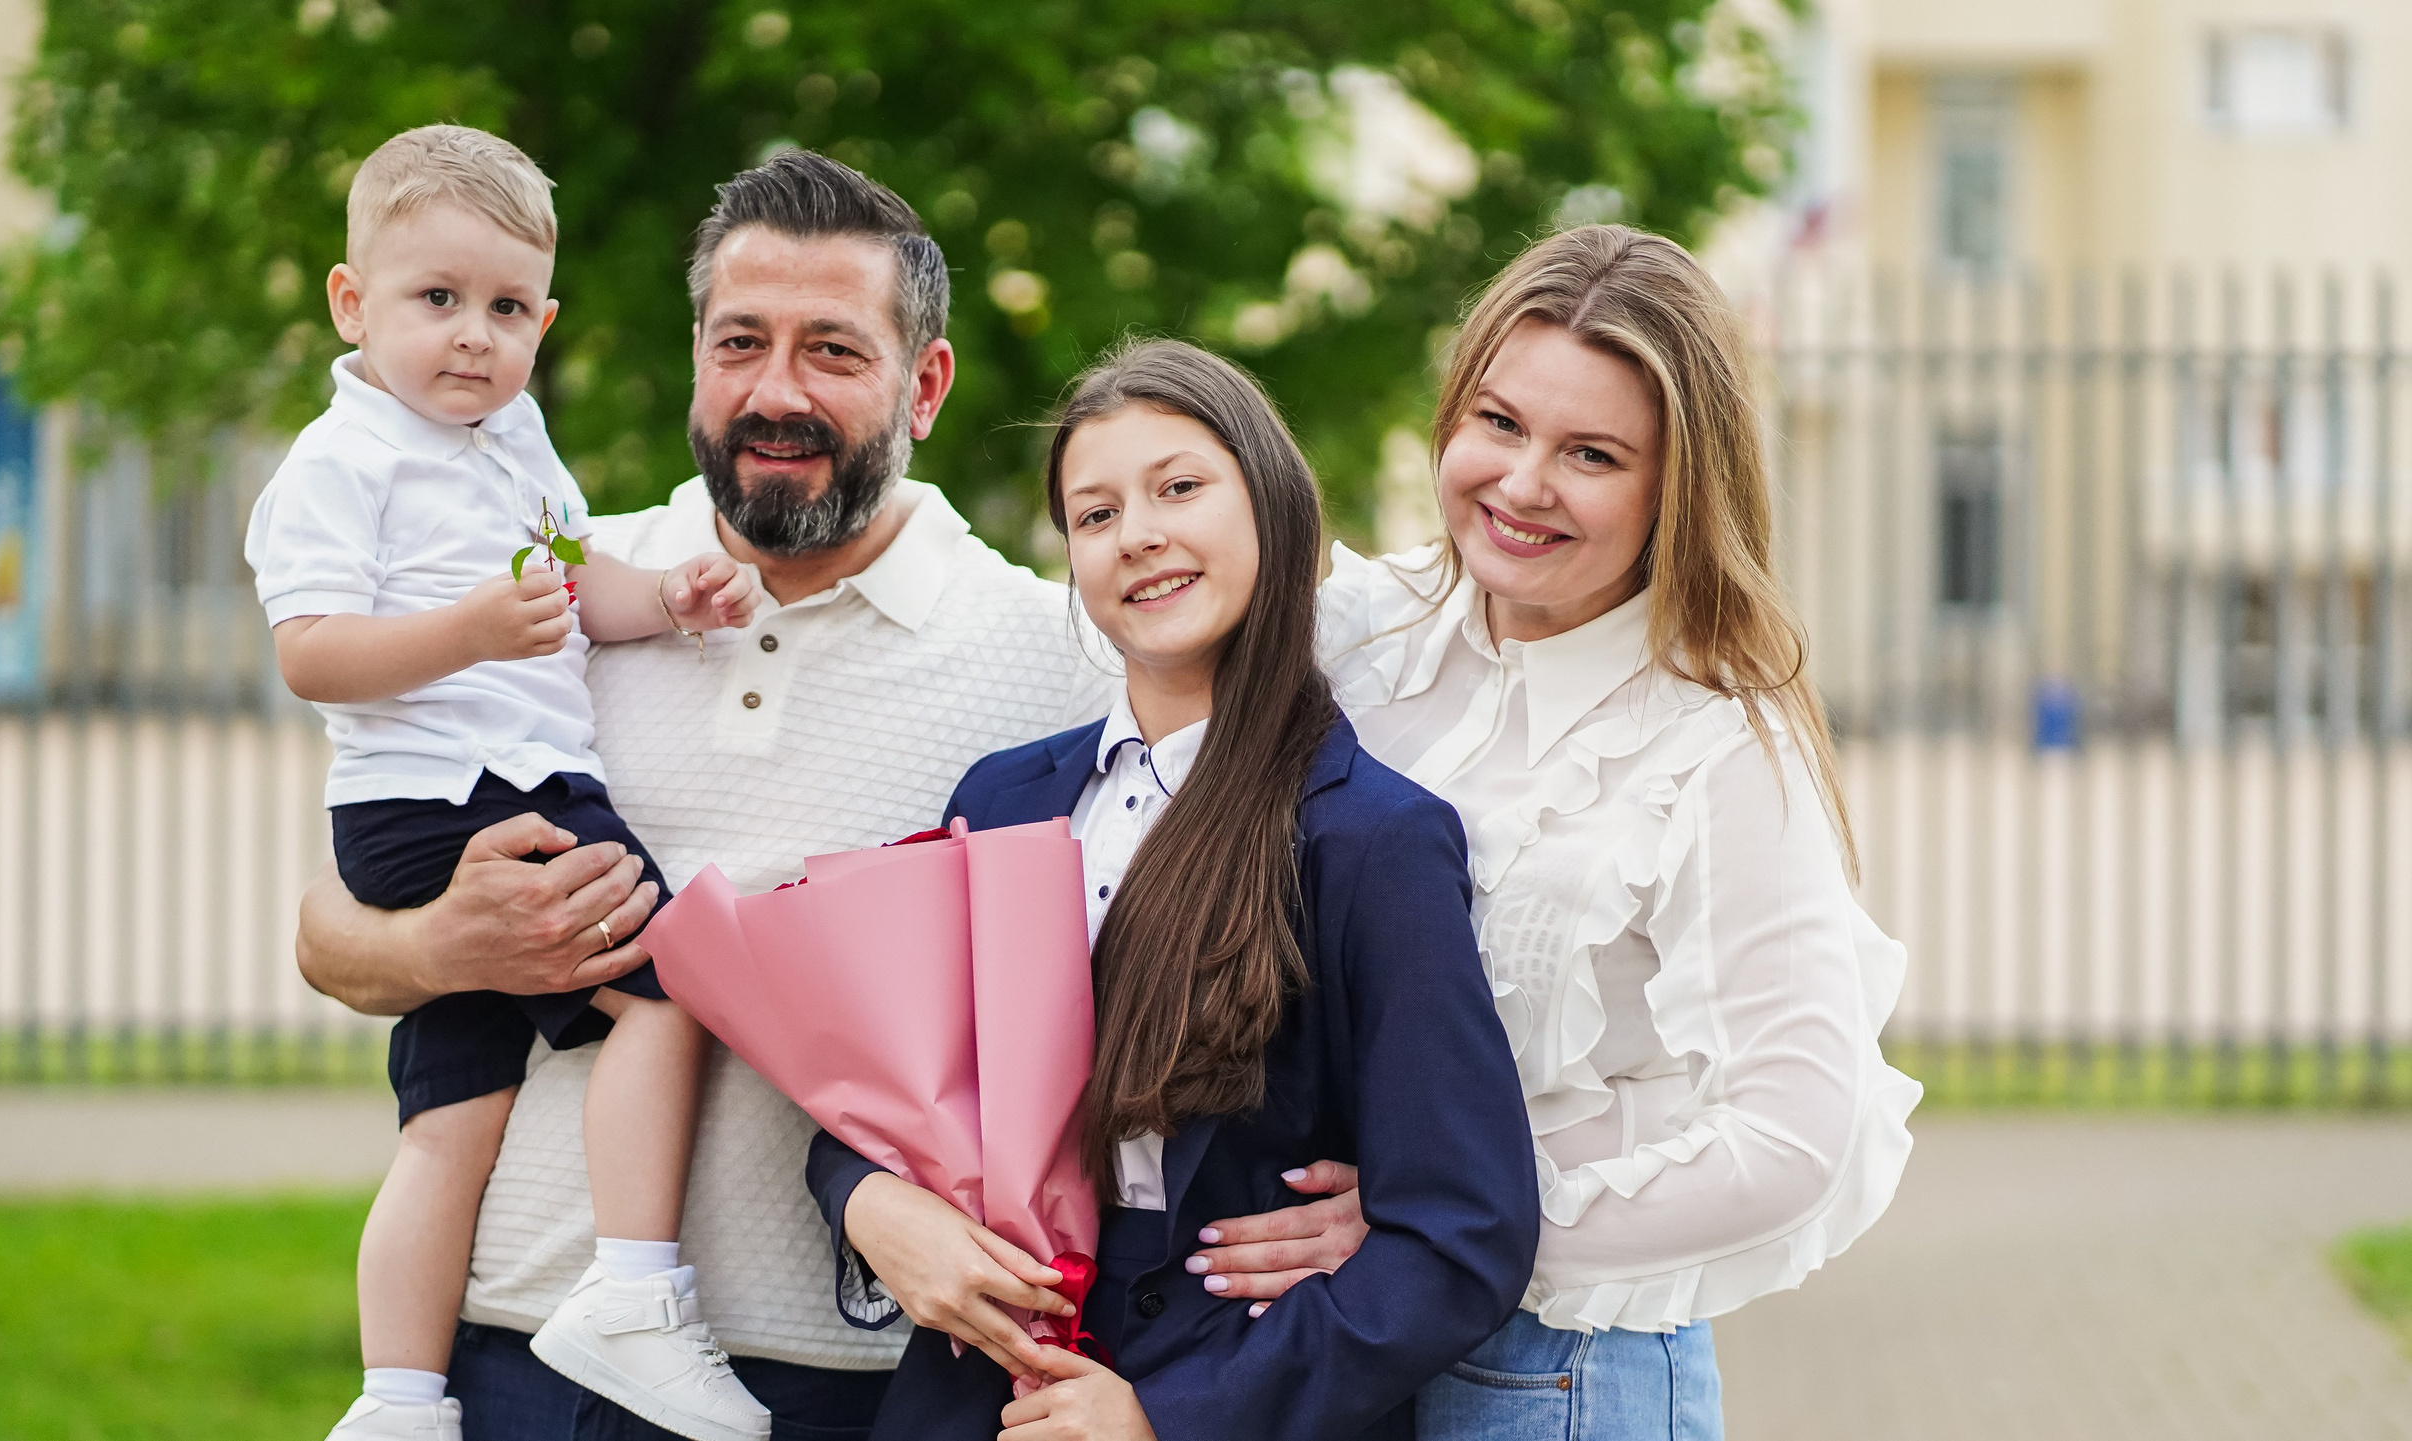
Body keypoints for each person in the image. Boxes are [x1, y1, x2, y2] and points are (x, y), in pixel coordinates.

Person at [292, 150, 1113, 1441]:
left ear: (928, 383)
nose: (773, 392)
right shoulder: (548, 585)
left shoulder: (1053, 656)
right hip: (514, 1358)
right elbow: (332, 927)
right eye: (740, 343)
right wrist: (432, 944)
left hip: (843, 1380)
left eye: (833, 351)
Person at [1178, 224, 1922, 1439]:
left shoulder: (1718, 747)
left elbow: (1796, 1137)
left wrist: (1445, 1228)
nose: (1523, 484)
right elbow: (1109, 631)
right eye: (1500, 423)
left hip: (1552, 1370)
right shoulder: (1352, 633)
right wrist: (746, 575)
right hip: (1316, 1349)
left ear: (1677, 484)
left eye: (1591, 453)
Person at [805, 338, 1542, 1441]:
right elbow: (882, 1092)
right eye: (1093, 515)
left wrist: (1165, 1420)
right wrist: (869, 1204)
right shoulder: (1004, 798)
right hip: (976, 1394)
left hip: (1226, 1387)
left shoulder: (1372, 839)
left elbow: (1460, 1234)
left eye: (1179, 488)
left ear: (1272, 504)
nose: (1135, 534)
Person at [245, 125, 771, 1441]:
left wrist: (669, 597)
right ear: (351, 302)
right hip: (468, 795)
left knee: (451, 1121)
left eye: (506, 308)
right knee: (676, 987)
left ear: (545, 320)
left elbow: (575, 585)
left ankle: (398, 1401)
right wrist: (469, 633)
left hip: (470, 800)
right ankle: (637, 1290)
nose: (474, 336)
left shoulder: (515, 440)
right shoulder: (340, 463)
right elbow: (310, 654)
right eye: (437, 300)